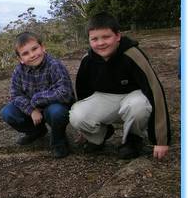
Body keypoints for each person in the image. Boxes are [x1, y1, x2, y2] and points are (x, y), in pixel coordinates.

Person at [69, 14, 170, 160]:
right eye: (95, 39)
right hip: (106, 98)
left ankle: (133, 140)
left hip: (134, 97)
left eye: (106, 37)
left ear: (118, 36)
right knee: (77, 114)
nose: (101, 43)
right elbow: (83, 92)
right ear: (89, 40)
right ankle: (99, 136)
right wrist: (86, 129)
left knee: (139, 105)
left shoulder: (132, 54)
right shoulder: (88, 60)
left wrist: (161, 140)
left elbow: (154, 90)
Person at [0, 32, 75, 158]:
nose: (32, 55)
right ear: (20, 59)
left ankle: (59, 141)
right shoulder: (19, 70)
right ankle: (37, 131)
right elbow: (15, 94)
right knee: (7, 112)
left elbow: (65, 93)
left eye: (35, 49)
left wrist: (37, 99)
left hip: (54, 107)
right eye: (25, 53)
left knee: (56, 113)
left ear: (43, 47)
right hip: (33, 110)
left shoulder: (54, 65)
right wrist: (31, 110)